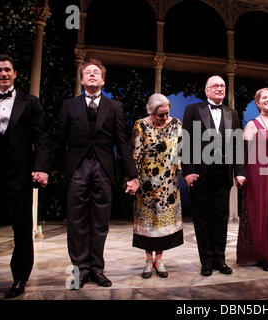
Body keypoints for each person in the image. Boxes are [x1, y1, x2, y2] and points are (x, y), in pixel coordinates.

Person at [55, 58, 139, 289]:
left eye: (96, 73)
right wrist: (46, 169)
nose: (92, 75)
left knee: (100, 223)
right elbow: (60, 140)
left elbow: (122, 143)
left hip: (103, 170)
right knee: (76, 223)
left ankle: (97, 270)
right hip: (77, 170)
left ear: (102, 79)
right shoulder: (69, 105)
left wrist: (131, 174)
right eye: (88, 73)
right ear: (82, 79)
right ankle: (80, 271)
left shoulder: (114, 107)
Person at [182, 75, 245, 276]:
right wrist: (188, 170)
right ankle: (206, 261)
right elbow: (186, 140)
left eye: (222, 86)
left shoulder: (231, 112)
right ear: (207, 90)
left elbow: (237, 144)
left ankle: (220, 259)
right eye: (215, 86)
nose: (220, 89)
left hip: (223, 174)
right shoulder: (193, 110)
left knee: (221, 217)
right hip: (200, 173)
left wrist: (239, 171)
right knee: (202, 218)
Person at [0, 54, 50, 298]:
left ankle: (20, 277)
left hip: (19, 174)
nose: (3, 74)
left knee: (22, 228)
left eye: (7, 70)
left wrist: (40, 167)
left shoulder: (29, 102)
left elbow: (41, 139)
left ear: (15, 73)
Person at [132, 93, 183, 279]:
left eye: (167, 113)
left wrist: (187, 173)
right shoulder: (141, 125)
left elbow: (180, 152)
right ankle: (148, 260)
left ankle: (159, 260)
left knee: (163, 224)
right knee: (147, 224)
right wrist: (132, 179)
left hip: (169, 184)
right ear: (151, 112)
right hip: (146, 183)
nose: (165, 118)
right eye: (160, 115)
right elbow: (136, 154)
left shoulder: (176, 124)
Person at [236, 88, 268, 271]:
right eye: (264, 97)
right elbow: (243, 153)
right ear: (257, 103)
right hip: (258, 175)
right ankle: (264, 255)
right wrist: (241, 174)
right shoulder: (252, 125)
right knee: (261, 214)